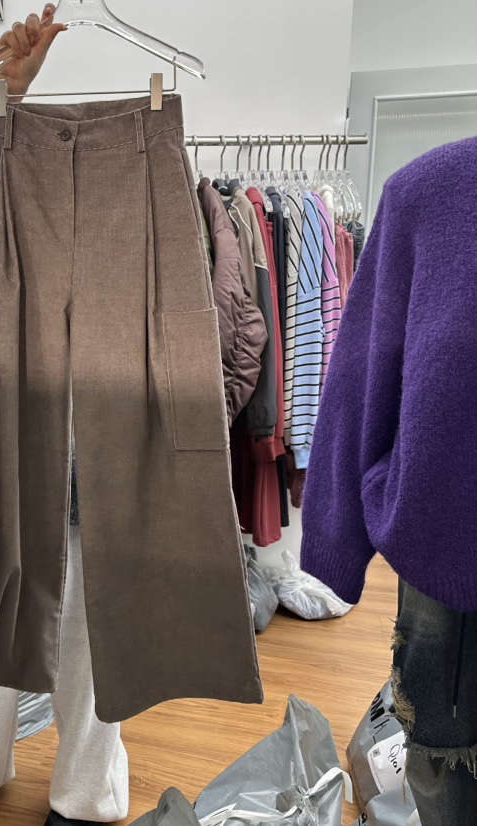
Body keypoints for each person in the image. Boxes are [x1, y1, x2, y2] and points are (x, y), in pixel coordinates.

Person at [0, 7, 130, 826]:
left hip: (97, 451)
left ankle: (87, 793)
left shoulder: (140, 198)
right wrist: (10, 99)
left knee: (89, 636)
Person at [300, 135, 477, 825]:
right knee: (439, 761)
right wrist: (335, 539)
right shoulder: (426, 195)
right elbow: (364, 372)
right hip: (445, 549)